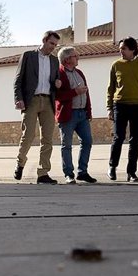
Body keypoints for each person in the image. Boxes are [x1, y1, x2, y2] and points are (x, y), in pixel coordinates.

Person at [106, 36, 138, 182]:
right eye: (120, 49)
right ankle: (112, 166)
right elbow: (111, 88)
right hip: (120, 105)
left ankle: (131, 172)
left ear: (133, 49)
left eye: (123, 48)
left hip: (137, 106)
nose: (120, 51)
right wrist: (109, 107)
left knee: (135, 140)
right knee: (118, 137)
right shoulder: (116, 65)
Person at [13, 30, 62, 184]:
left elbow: (56, 81)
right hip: (31, 100)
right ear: (44, 40)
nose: (53, 47)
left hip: (48, 101)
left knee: (47, 139)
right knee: (28, 135)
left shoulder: (55, 61)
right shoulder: (28, 56)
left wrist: (57, 84)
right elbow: (18, 80)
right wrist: (18, 98)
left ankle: (43, 173)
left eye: (55, 45)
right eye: (51, 43)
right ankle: (20, 163)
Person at [55, 47, 96, 184]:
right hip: (68, 114)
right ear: (67, 60)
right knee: (66, 145)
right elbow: (58, 96)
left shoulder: (79, 73)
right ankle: (68, 174)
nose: (78, 58)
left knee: (87, 141)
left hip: (82, 114)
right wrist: (75, 92)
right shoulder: (59, 74)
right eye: (75, 56)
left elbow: (87, 93)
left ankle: (82, 172)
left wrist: (88, 111)